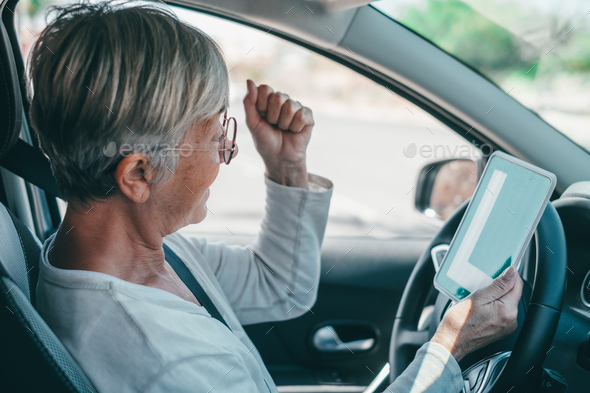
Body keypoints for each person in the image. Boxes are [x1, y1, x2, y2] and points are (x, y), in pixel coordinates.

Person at [29, 1, 523, 392]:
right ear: (138, 174)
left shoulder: (141, 254)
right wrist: (449, 349)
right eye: (216, 134)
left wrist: (286, 167)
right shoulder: (166, 364)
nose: (227, 151)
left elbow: (279, 287)